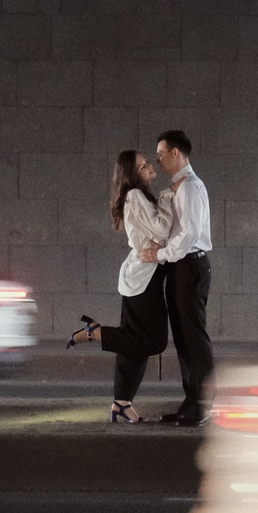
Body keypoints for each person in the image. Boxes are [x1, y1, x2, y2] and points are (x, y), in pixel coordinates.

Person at [63, 149, 172, 425]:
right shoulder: (136, 196)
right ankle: (95, 333)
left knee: (134, 345)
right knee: (153, 341)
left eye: (147, 160)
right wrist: (168, 198)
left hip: (143, 275)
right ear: (132, 174)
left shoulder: (139, 196)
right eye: (142, 164)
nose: (149, 164)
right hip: (142, 278)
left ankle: (121, 403)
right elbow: (160, 231)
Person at [143, 128, 213, 427]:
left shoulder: (191, 187)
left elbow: (190, 233)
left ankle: (204, 403)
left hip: (189, 265)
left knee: (194, 339)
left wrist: (159, 255)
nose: (158, 161)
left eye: (161, 155)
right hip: (180, 266)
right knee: (184, 339)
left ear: (176, 153)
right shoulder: (178, 186)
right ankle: (192, 402)